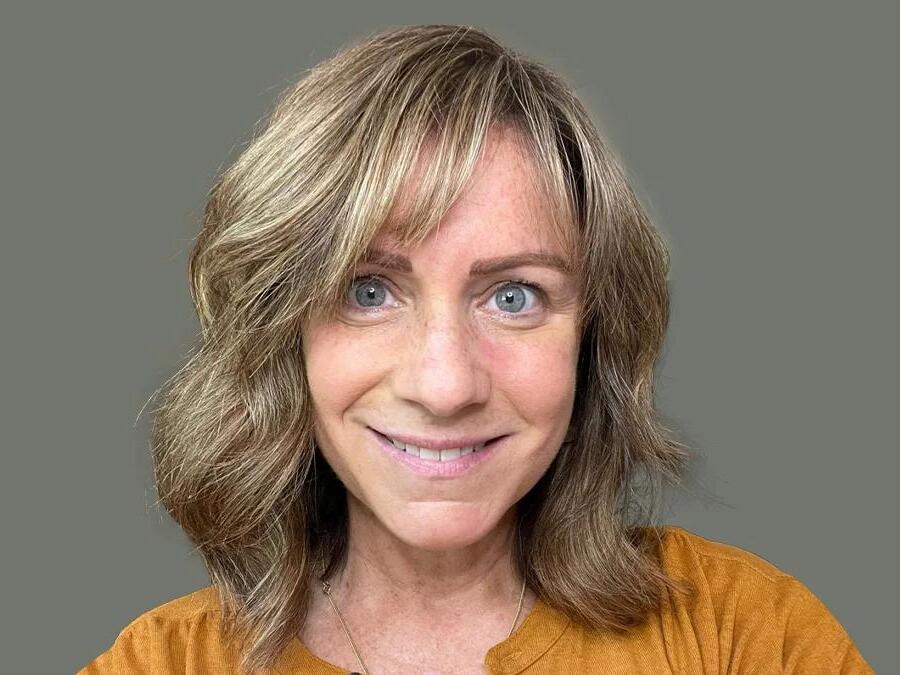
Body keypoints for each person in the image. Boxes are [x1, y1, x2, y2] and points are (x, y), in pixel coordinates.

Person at [79, 24, 873, 675]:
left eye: (514, 296)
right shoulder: (162, 664)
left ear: (592, 336)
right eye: (368, 291)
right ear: (281, 326)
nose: (445, 384)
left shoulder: (745, 636)